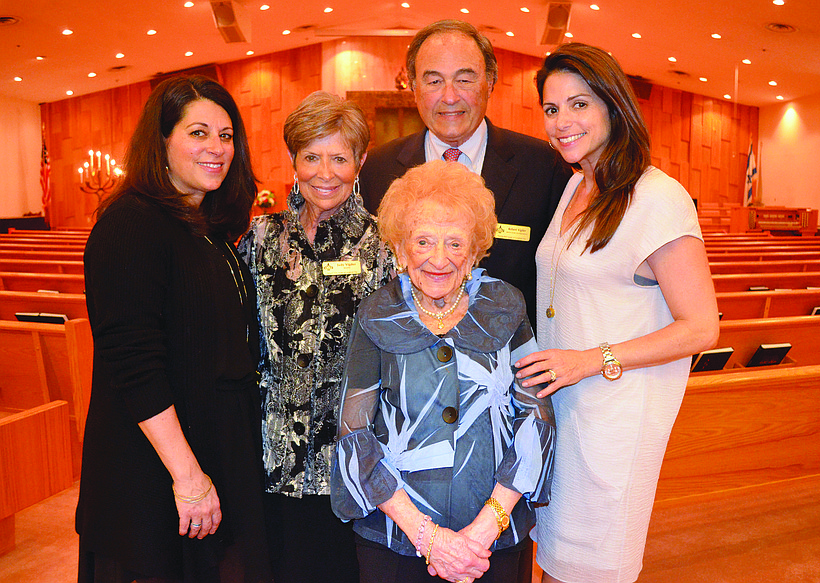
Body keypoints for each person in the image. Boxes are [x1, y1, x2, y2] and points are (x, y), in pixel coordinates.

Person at [514, 44, 720, 583]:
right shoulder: (578, 183)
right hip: (565, 410)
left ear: (612, 104)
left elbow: (701, 326)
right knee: (556, 561)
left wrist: (590, 359)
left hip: (615, 417)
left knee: (596, 566)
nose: (562, 123)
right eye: (552, 109)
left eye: (578, 104)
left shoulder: (657, 197)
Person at [76, 76, 272, 582]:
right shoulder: (131, 224)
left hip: (205, 453)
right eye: (198, 132)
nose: (216, 148)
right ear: (161, 141)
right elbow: (134, 363)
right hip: (153, 475)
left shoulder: (205, 227)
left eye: (226, 136)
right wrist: (187, 477)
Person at [331, 160, 556, 583]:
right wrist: (430, 538)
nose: (439, 259)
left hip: (492, 541)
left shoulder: (504, 307)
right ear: (399, 250)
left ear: (473, 253)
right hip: (396, 538)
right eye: (423, 241)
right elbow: (354, 435)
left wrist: (485, 528)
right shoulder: (377, 314)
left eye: (455, 244)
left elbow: (536, 420)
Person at [237, 91, 394, 583]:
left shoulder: (384, 245)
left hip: (349, 464)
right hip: (270, 459)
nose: (325, 172)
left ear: (360, 161)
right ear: (293, 160)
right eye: (311, 156)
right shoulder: (259, 239)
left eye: (339, 157)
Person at [358, 19, 570, 328]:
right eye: (433, 81)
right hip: (406, 361)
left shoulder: (543, 166)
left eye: (465, 80)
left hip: (511, 361)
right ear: (414, 88)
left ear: (490, 82)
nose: (449, 97)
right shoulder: (379, 168)